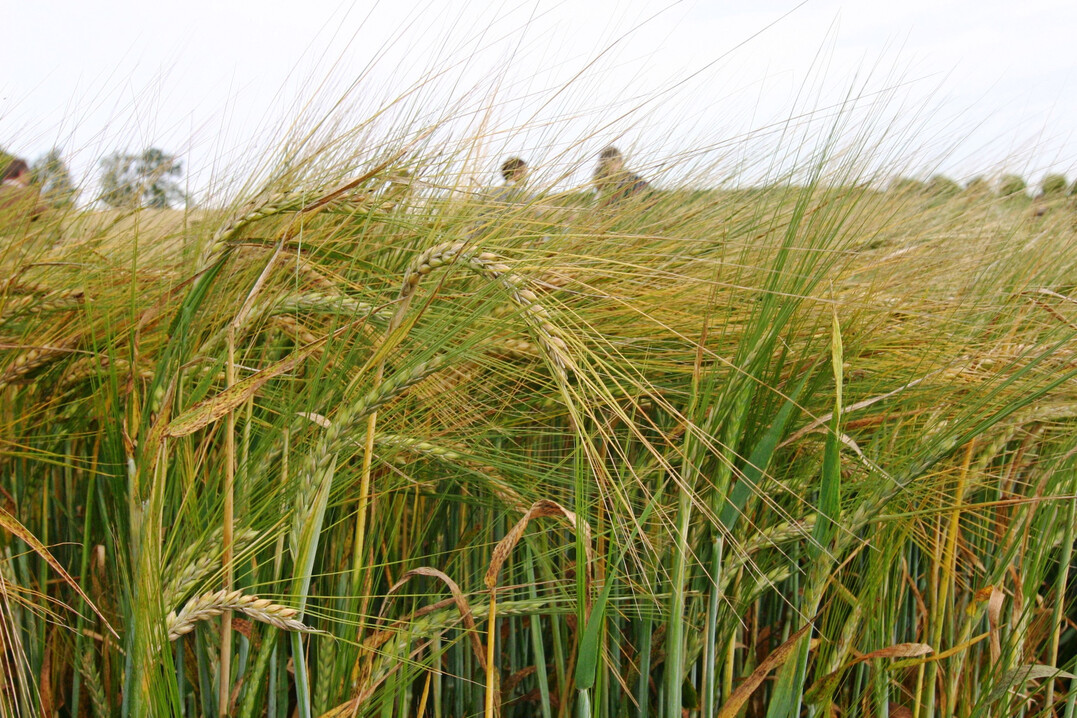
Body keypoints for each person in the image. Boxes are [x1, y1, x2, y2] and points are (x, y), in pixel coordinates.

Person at [0, 158, 45, 224]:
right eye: (29, 174)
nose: (30, 178)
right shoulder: (29, 194)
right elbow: (46, 216)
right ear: (21, 173)